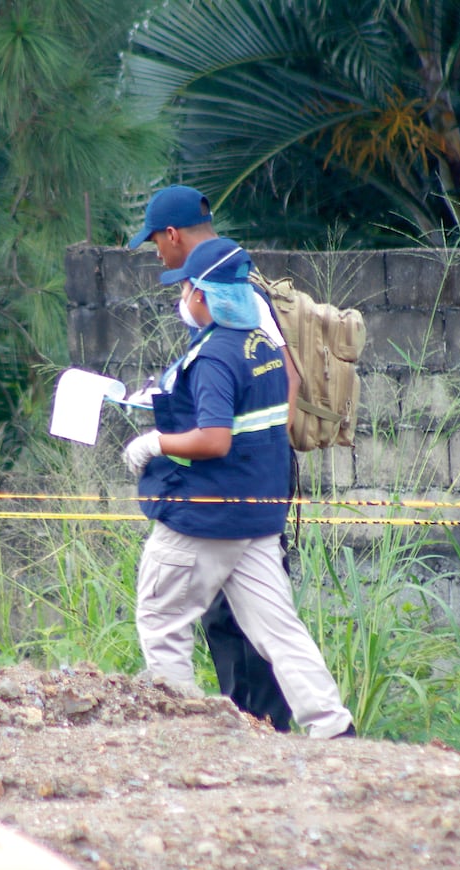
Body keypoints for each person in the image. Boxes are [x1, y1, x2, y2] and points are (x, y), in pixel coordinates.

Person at [121, 237, 354, 738]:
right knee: (279, 631)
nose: (182, 298)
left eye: (185, 288)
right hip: (257, 518)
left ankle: (181, 733)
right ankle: (333, 728)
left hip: (202, 519)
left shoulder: (214, 358)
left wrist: (155, 443)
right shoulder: (266, 347)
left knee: (161, 622)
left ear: (202, 295)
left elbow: (214, 438)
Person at [128, 184, 295, 730]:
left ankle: (258, 726)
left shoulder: (235, 289)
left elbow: (281, 382)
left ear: (172, 235)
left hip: (243, 469)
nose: (157, 252)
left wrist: (228, 443)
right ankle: (241, 724)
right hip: (224, 464)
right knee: (229, 614)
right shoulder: (218, 282)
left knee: (248, 619)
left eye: (155, 241)